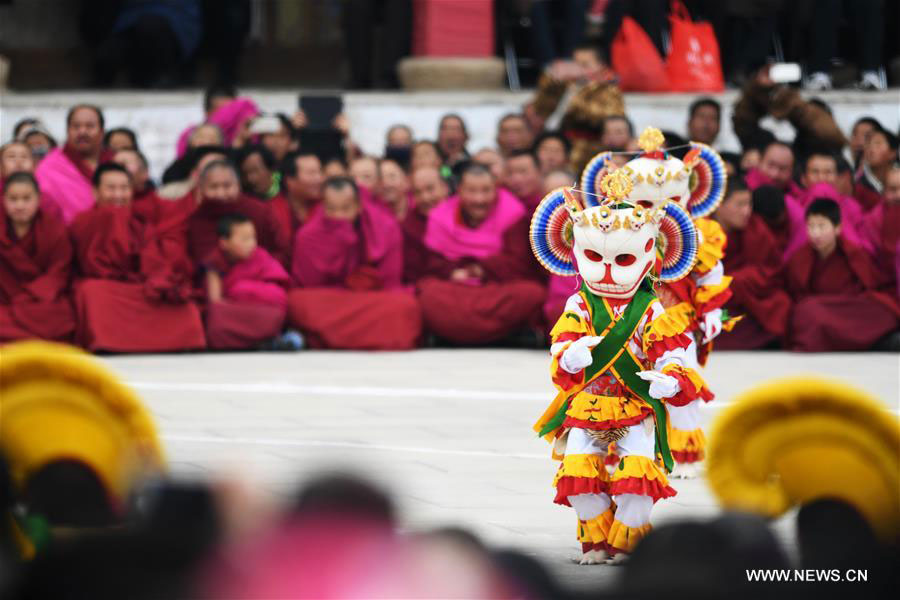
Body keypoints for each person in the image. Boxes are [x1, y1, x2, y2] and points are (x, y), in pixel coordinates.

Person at [532, 170, 710, 564]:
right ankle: (596, 540)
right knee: (578, 477)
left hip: (635, 405)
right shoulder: (579, 304)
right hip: (588, 404)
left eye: (623, 258)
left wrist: (669, 377)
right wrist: (570, 356)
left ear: (650, 254)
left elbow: (671, 351)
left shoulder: (649, 307)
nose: (609, 270)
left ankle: (627, 541)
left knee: (638, 478)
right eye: (595, 257)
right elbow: (561, 349)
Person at [70, 163, 205, 352]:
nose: (118, 194)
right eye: (111, 188)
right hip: (105, 288)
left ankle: (172, 340)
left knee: (185, 306)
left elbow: (153, 261)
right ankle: (110, 342)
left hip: (135, 286)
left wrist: (158, 279)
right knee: (91, 293)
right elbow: (80, 265)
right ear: (95, 192)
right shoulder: (82, 222)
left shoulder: (139, 223)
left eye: (124, 188)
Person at [417, 163, 545, 345]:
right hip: (457, 289)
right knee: (428, 293)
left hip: (495, 288)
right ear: (460, 191)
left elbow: (519, 263)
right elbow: (432, 263)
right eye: (472, 191)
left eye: (486, 191)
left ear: (496, 190)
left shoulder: (512, 213)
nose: (479, 199)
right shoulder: (441, 216)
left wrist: (481, 270)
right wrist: (452, 272)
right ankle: (504, 336)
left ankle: (450, 334)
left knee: (532, 293)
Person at [287, 177, 422, 349]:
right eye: (331, 209)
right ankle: (369, 335)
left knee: (405, 306)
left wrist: (368, 282)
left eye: (345, 208)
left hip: (371, 298)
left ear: (358, 206)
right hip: (330, 301)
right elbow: (306, 286)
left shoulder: (385, 227)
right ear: (322, 207)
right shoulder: (308, 235)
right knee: (297, 303)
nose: (338, 216)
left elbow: (391, 282)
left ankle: (330, 337)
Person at [785, 198, 898, 352]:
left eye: (821, 226)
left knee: (883, 311)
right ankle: (876, 342)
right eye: (810, 226)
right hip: (820, 312)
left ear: (838, 228)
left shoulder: (853, 253)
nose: (815, 233)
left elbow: (871, 288)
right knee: (806, 311)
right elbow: (797, 296)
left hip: (848, 310)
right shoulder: (800, 258)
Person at [713, 179, 791, 350]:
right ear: (719, 205)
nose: (747, 211)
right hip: (714, 302)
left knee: (781, 303)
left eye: (749, 204)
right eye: (740, 205)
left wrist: (736, 281)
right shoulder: (701, 232)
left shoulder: (756, 229)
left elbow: (773, 272)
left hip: (749, 301)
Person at [0, 173, 76, 343]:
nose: (20, 205)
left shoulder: (55, 230)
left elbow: (59, 272)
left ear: (38, 199)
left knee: (62, 319)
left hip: (38, 301)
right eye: (13, 199)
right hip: (3, 301)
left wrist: (29, 295)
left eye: (27, 199)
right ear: (3, 200)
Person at [530, 42, 625, 175]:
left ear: (600, 66)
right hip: (560, 147)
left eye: (585, 65)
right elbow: (541, 108)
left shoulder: (608, 89)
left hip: (589, 152)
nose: (579, 70)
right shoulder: (566, 84)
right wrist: (551, 79)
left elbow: (611, 117)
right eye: (576, 64)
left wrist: (576, 101)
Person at [203, 214, 292, 350]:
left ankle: (263, 339)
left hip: (262, 310)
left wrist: (243, 291)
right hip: (236, 312)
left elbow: (278, 293)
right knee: (216, 315)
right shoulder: (215, 263)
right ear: (224, 243)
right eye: (245, 239)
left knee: (274, 310)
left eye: (253, 238)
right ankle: (265, 340)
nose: (252, 244)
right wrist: (238, 294)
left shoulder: (260, 256)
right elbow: (215, 302)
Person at [187, 161, 290, 270]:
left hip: (262, 276)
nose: (221, 193)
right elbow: (204, 262)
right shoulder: (199, 218)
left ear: (238, 185)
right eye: (213, 187)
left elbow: (282, 251)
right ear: (202, 189)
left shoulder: (259, 210)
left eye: (227, 186)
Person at [732, 66, 847, 159]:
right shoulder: (770, 147)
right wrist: (758, 89)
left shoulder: (825, 154)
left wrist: (796, 107)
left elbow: (830, 136)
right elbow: (743, 124)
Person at [34, 104, 112, 224]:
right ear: (67, 131)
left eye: (90, 126)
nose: (82, 131)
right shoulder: (49, 168)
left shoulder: (115, 162)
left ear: (102, 132)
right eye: (76, 126)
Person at [858, 164, 900, 300]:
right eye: (893, 190)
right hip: (884, 290)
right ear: (883, 192)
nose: (899, 195)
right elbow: (866, 262)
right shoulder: (872, 221)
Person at [404, 166, 450, 284]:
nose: (425, 198)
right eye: (417, 192)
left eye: (430, 189)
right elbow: (414, 274)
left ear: (445, 188)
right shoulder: (409, 225)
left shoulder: (463, 213)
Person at [854, 127, 899, 211]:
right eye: (868, 144)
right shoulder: (858, 185)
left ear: (893, 153)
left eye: (878, 144)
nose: (871, 149)